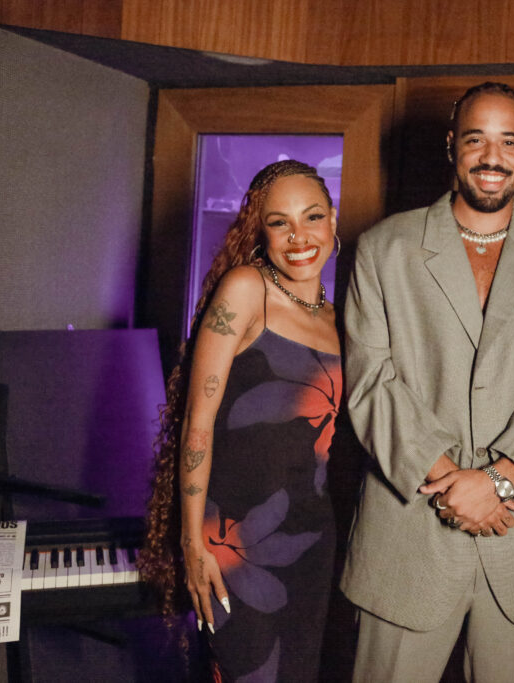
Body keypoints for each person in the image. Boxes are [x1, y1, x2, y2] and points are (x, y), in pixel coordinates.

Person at [341, 82, 514, 682]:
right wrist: (450, 483)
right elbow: (371, 382)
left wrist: (497, 479)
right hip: (408, 532)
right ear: (451, 146)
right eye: (476, 139)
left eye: (508, 141)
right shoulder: (384, 250)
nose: (493, 157)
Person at [140, 160, 343, 682]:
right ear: (261, 231)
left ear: (332, 220)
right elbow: (197, 421)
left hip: (312, 538)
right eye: (280, 222)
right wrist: (191, 542)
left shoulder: (340, 317)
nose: (299, 237)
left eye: (312, 217)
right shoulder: (245, 289)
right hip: (234, 543)